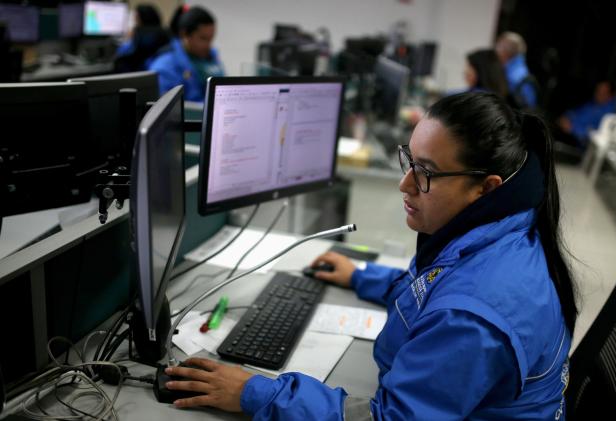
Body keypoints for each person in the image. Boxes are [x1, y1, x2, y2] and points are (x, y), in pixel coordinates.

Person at [163, 91, 578, 420]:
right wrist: (362, 276)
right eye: (410, 160)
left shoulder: (474, 316)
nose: (405, 184)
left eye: (426, 172)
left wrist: (253, 393)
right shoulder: (502, 228)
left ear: (485, 188)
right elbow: (436, 290)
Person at [148, 5, 224, 102]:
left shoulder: (211, 56)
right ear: (184, 35)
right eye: (203, 38)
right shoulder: (165, 66)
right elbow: (168, 110)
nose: (208, 45)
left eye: (211, 39)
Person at [557, 80, 616, 148]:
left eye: (603, 92)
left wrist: (572, 128)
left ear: (610, 96)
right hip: (569, 137)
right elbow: (576, 112)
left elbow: (596, 133)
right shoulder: (593, 104)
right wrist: (566, 117)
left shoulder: (609, 114)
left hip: (581, 147)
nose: (598, 94)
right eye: (598, 90)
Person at [114, 4, 169, 73]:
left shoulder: (139, 32)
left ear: (140, 19)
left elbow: (122, 53)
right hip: (157, 69)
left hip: (140, 73)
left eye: (136, 18)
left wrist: (129, 39)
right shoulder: (164, 31)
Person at [495, 31, 538, 109]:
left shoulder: (513, 76)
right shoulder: (519, 70)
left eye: (498, 46)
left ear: (505, 50)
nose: (495, 50)